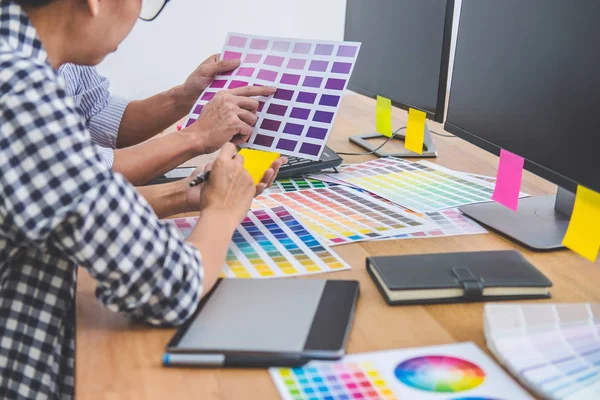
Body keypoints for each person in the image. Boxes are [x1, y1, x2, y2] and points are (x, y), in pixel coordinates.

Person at [0, 0, 282, 398]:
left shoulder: (23, 63)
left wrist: (186, 193)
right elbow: (170, 285)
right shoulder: (18, 90)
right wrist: (223, 210)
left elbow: (76, 198)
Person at [59, 56, 250, 185]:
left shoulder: (65, 53)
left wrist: (184, 98)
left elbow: (96, 112)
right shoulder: (33, 77)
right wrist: (198, 137)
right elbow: (84, 174)